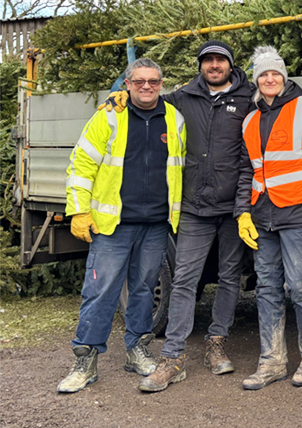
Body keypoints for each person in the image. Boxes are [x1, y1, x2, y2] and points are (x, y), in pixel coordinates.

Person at [133, 40, 255, 392]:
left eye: (220, 60)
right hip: (193, 207)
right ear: (200, 65)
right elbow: (145, 102)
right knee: (185, 279)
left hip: (234, 207)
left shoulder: (249, 98)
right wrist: (118, 98)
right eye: (208, 60)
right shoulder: (182, 97)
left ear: (231, 64)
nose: (214, 65)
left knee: (231, 277)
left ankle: (216, 343)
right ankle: (172, 357)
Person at [58, 58, 186, 393]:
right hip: (112, 226)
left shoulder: (174, 119)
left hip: (156, 224)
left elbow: (180, 168)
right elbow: (82, 164)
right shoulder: (108, 117)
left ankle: (137, 351)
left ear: (162, 84)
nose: (147, 87)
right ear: (126, 84)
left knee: (144, 290)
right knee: (100, 292)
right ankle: (85, 362)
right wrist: (79, 211)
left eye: (154, 81)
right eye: (140, 81)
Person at [235, 45, 302, 389]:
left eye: (274, 72)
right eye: (263, 74)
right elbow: (246, 171)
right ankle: (272, 362)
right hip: (263, 217)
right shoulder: (250, 119)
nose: (269, 78)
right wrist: (242, 213)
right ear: (256, 80)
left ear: (284, 75)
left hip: (299, 214)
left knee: (299, 287)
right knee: (266, 288)